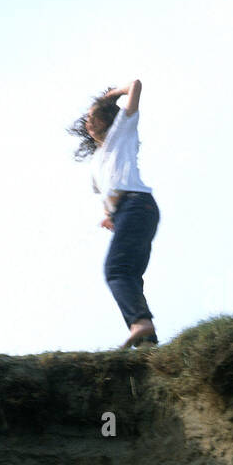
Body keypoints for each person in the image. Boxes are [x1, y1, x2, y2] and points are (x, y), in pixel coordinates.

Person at [69, 81, 160, 347]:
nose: (88, 122)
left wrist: (110, 97)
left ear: (106, 118)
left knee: (116, 271)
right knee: (129, 275)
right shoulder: (98, 160)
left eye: (92, 116)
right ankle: (147, 344)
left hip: (137, 205)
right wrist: (109, 216)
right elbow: (109, 192)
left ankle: (141, 322)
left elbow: (136, 85)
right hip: (129, 213)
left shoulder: (122, 131)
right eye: (86, 119)